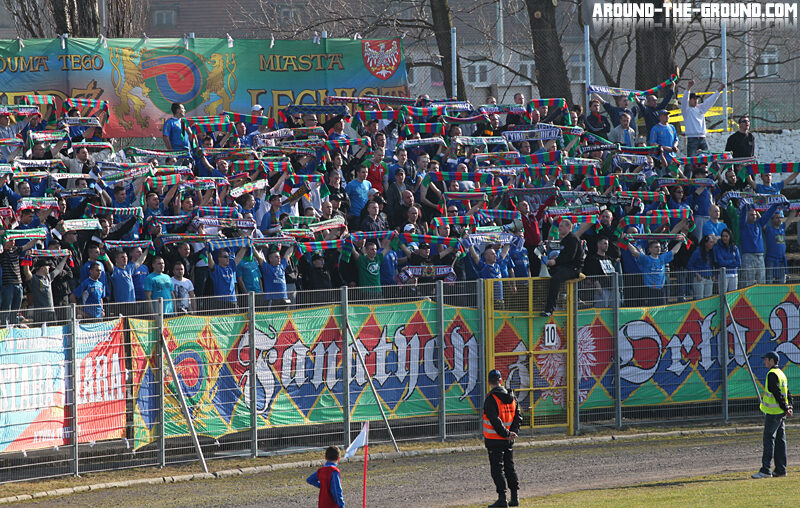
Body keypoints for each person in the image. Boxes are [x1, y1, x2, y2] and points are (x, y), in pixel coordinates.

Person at [483, 369, 522, 508]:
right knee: (509, 468)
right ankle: (515, 497)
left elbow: (495, 421)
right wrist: (512, 432)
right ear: (501, 381)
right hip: (509, 440)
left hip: (495, 440)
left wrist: (505, 433)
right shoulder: (512, 397)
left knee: (497, 469)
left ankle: (502, 499)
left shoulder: (490, 399)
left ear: (489, 382)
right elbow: (518, 416)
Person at [752, 351, 792, 479]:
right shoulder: (781, 374)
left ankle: (765, 470)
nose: (764, 362)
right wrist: (789, 407)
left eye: (766, 360)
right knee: (781, 441)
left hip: (773, 413)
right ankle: (781, 469)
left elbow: (776, 393)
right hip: (780, 413)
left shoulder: (772, 374)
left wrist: (785, 407)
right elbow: (787, 393)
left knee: (769, 440)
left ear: (771, 360)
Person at [541, 219, 585, 317]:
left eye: (561, 226)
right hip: (565, 266)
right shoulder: (564, 240)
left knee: (556, 278)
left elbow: (570, 257)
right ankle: (543, 301)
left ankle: (550, 309)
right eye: (559, 226)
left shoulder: (573, 238)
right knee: (548, 273)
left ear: (568, 228)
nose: (559, 228)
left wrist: (555, 262)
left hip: (573, 269)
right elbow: (562, 257)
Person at [681, 79, 725, 157]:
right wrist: (688, 88)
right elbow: (684, 100)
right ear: (689, 100)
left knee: (706, 159)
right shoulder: (686, 110)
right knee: (691, 160)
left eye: (696, 99)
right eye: (693, 99)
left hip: (702, 138)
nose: (696, 100)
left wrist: (719, 91)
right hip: (692, 139)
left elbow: (709, 101)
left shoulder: (700, 108)